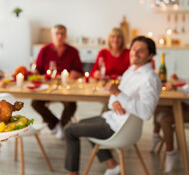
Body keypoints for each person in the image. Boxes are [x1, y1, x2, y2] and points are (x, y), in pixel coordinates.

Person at [64, 36, 162, 175]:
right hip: (112, 118)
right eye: (134, 49)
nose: (135, 53)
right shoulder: (131, 70)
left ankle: (73, 174)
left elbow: (146, 112)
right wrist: (116, 100)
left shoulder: (149, 79)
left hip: (120, 128)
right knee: (81, 124)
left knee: (69, 130)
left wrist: (119, 95)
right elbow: (113, 98)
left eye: (141, 51)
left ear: (150, 56)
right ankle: (112, 165)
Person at [32, 24, 83, 139]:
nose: (59, 36)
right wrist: (34, 73)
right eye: (57, 33)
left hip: (67, 89)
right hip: (48, 89)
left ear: (65, 35)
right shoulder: (44, 50)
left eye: (62, 34)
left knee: (71, 104)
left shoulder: (73, 51)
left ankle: (63, 124)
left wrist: (76, 73)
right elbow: (38, 70)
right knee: (35, 103)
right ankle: (55, 124)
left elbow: (80, 71)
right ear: (52, 35)